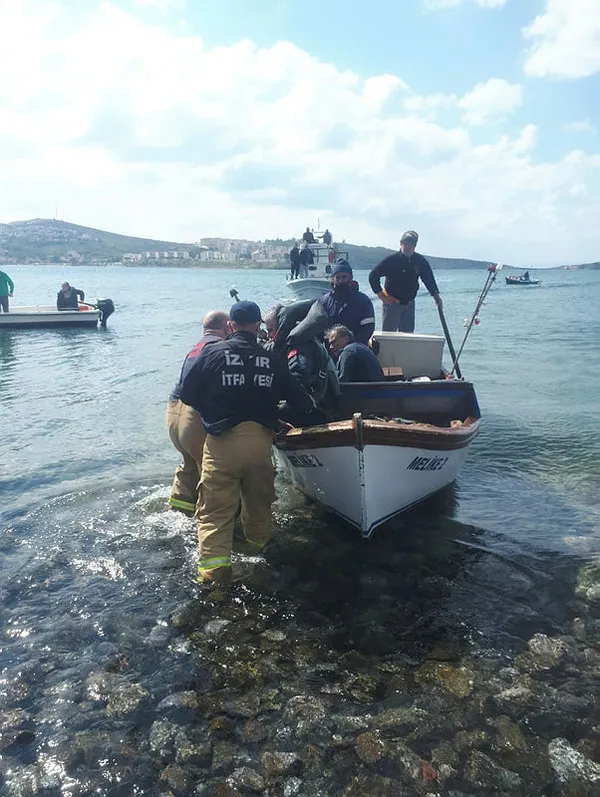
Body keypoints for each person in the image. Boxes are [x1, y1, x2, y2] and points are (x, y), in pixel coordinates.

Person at [180, 300, 314, 585]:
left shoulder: (213, 353)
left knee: (215, 512)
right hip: (260, 445)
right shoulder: (273, 358)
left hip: (222, 444)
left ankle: (215, 580)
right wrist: (270, 413)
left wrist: (217, 408)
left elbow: (188, 394)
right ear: (258, 327)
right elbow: (301, 401)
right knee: (259, 505)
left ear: (230, 326)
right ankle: (258, 559)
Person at [166, 310, 230, 514]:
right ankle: (208, 520)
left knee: (189, 464)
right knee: (211, 473)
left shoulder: (196, 347)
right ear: (227, 326)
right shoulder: (218, 348)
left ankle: (177, 513)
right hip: (192, 417)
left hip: (173, 412)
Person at [264, 300, 340, 423]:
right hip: (318, 402)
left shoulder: (299, 345)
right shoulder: (301, 339)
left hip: (316, 409)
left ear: (282, 327)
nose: (268, 335)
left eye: (271, 330)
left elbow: (298, 380)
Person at [368, 230, 442, 333]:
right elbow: (373, 276)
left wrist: (436, 297)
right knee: (388, 337)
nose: (408, 247)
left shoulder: (419, 261)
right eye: (406, 244)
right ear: (401, 244)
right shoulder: (392, 260)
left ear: (415, 246)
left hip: (409, 304)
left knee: (407, 337)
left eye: (411, 245)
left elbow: (428, 279)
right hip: (392, 304)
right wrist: (381, 296)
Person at [294, 259, 375, 344]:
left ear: (351, 278)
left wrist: (348, 344)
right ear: (333, 279)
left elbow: (367, 330)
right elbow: (317, 327)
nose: (340, 281)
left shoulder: (363, 302)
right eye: (338, 277)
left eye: (344, 277)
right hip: (329, 349)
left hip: (354, 349)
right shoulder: (323, 301)